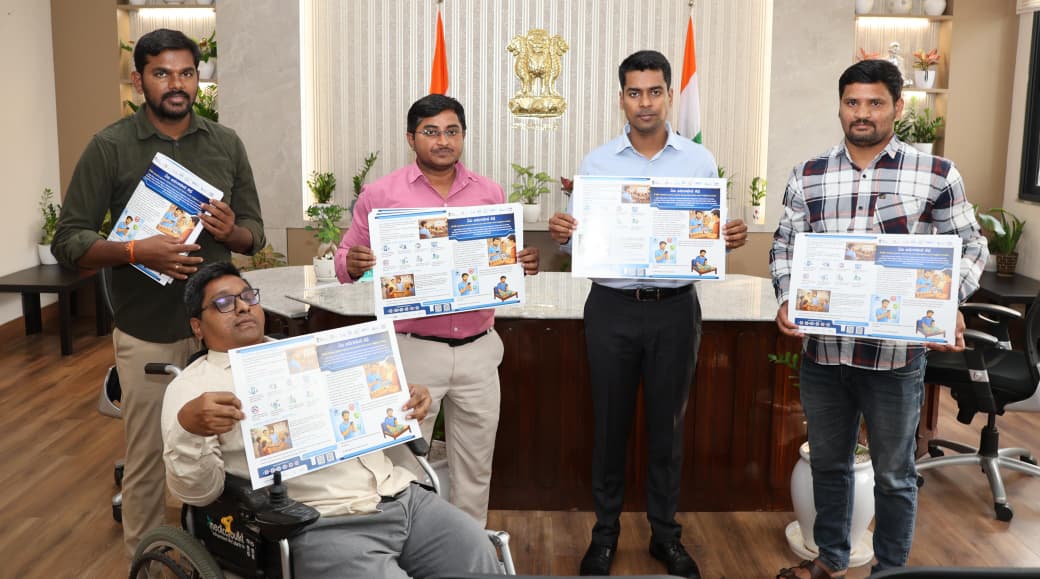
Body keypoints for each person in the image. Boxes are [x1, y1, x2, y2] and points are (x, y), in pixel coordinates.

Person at [51, 28, 265, 556]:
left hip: (219, 331)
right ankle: (147, 559)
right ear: (139, 79)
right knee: (148, 455)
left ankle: (229, 551)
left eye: (186, 73)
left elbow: (255, 234)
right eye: (162, 73)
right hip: (148, 328)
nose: (176, 84)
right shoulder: (110, 146)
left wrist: (231, 231)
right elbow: (69, 241)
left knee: (235, 442)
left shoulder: (226, 143)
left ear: (198, 79)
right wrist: (135, 251)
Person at [771, 59, 987, 578]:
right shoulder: (809, 175)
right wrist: (786, 296)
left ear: (897, 107)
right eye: (852, 102)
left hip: (895, 360)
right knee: (829, 465)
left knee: (894, 475)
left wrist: (947, 302)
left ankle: (890, 570)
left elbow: (971, 246)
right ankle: (831, 558)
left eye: (875, 103)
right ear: (840, 106)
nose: (862, 113)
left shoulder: (936, 174)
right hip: (825, 355)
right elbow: (784, 246)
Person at [162, 262, 500, 578]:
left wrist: (405, 399)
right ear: (197, 327)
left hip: (397, 494)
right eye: (223, 303)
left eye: (248, 297)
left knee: (478, 551)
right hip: (323, 521)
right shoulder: (193, 389)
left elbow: (371, 414)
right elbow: (198, 493)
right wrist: (190, 429)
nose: (242, 307)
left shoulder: (313, 352)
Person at [548, 50, 748, 579]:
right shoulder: (597, 164)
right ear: (621, 99)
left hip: (674, 310)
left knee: (668, 429)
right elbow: (579, 246)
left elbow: (705, 238)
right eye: (634, 93)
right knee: (609, 426)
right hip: (611, 309)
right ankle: (604, 536)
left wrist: (727, 237)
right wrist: (565, 236)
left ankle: (665, 537)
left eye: (655, 91)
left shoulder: (698, 162)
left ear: (669, 96)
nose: (645, 103)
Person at [335, 94, 539, 526]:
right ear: (411, 138)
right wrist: (352, 262)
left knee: (475, 466)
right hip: (414, 352)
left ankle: (469, 549)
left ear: (463, 136)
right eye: (431, 132)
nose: (443, 141)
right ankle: (408, 547)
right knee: (404, 465)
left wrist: (520, 261)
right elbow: (344, 258)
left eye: (452, 131)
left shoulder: (489, 192)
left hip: (478, 350)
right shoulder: (381, 194)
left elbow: (501, 259)